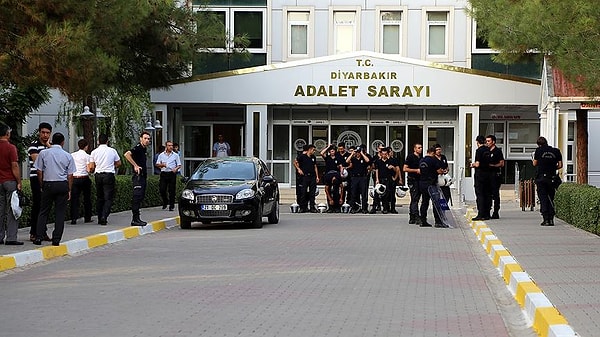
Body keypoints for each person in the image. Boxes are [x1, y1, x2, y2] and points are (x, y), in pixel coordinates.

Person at [32, 132, 76, 246]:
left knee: (43, 211)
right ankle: (56, 239)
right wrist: (69, 189)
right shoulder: (67, 155)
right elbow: (70, 175)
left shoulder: (43, 153)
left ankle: (38, 237)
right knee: (60, 212)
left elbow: (39, 171)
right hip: (62, 185)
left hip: (48, 184)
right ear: (63, 142)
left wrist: (42, 184)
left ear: (52, 141)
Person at [28, 122, 52, 242]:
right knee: (38, 205)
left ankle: (42, 231)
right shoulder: (34, 146)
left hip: (48, 178)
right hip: (36, 178)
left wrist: (49, 147)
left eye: (47, 133)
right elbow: (38, 162)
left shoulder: (51, 146)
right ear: (39, 132)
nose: (45, 135)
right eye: (43, 132)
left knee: (45, 206)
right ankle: (34, 232)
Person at [89, 134, 121, 226]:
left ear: (98, 141)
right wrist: (112, 165)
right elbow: (119, 163)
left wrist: (92, 170)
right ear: (107, 141)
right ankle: (104, 216)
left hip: (98, 175)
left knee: (99, 197)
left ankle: (99, 217)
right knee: (108, 198)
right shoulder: (112, 151)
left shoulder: (94, 152)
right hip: (109, 175)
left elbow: (91, 166)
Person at [0, 123, 24, 245]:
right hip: (9, 181)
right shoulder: (11, 148)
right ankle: (11, 237)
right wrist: (19, 182)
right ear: (7, 133)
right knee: (12, 209)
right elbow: (14, 165)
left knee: (0, 210)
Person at [532, 136, 563, 226]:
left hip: (542, 178)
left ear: (538, 144)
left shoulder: (538, 151)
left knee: (543, 198)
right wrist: (552, 167)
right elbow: (560, 165)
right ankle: (551, 219)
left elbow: (535, 163)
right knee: (551, 197)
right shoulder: (556, 151)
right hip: (552, 178)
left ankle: (546, 219)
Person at [124, 131, 152, 226]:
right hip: (138, 177)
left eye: (148, 139)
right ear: (141, 139)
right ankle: (135, 219)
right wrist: (135, 165)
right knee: (137, 197)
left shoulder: (143, 149)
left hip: (143, 176)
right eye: (145, 138)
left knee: (140, 197)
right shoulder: (138, 148)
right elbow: (127, 154)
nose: (147, 140)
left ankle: (137, 218)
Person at [418, 146, 444, 227]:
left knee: (424, 202)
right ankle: (438, 222)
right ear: (433, 153)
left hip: (422, 183)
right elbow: (439, 171)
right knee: (436, 203)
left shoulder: (422, 160)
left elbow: (419, 171)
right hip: (431, 184)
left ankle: (423, 221)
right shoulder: (433, 160)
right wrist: (442, 171)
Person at [70, 139, 93, 224]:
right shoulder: (87, 156)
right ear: (86, 146)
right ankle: (87, 217)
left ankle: (73, 218)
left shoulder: (72, 155)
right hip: (84, 178)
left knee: (75, 199)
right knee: (87, 199)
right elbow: (89, 168)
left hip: (75, 178)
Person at [156, 141, 181, 211]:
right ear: (166, 146)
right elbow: (157, 164)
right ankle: (165, 201)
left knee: (172, 190)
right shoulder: (161, 155)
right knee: (162, 189)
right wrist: (162, 165)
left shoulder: (175, 155)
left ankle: (171, 205)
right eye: (169, 145)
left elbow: (179, 165)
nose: (171, 147)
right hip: (164, 173)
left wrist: (175, 169)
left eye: (172, 145)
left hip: (172, 173)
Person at [471, 135, 491, 221]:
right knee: (487, 194)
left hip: (480, 174)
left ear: (477, 142)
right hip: (488, 174)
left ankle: (480, 214)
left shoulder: (479, 151)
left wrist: (473, 165)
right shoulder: (488, 150)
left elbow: (478, 164)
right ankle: (487, 214)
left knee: (480, 194)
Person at [374, 147, 400, 214]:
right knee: (380, 194)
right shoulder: (378, 161)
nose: (384, 155)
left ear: (387, 154)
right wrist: (377, 179)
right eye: (383, 154)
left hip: (389, 180)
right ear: (381, 154)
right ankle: (381, 208)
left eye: (385, 154)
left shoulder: (391, 161)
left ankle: (392, 208)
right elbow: (377, 170)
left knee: (390, 195)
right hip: (381, 179)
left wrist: (393, 170)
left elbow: (397, 170)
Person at [346, 144, 371, 214]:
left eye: (358, 152)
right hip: (355, 177)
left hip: (362, 177)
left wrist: (362, 153)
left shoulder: (363, 158)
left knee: (363, 193)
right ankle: (353, 208)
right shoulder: (353, 159)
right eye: (357, 152)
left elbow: (368, 161)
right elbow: (347, 161)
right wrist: (352, 154)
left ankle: (364, 208)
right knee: (353, 193)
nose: (358, 153)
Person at [295, 144, 319, 213]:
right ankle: (303, 207)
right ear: (310, 149)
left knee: (312, 192)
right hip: (305, 176)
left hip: (312, 176)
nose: (314, 151)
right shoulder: (302, 157)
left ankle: (312, 207)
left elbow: (315, 167)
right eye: (313, 150)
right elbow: (295, 162)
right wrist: (299, 169)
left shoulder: (313, 157)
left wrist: (317, 176)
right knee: (303, 192)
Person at [320, 144, 345, 213]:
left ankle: (337, 207)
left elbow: (341, 166)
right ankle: (330, 207)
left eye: (333, 151)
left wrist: (341, 173)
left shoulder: (338, 157)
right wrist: (328, 147)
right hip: (328, 174)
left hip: (336, 174)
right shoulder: (327, 158)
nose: (332, 152)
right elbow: (321, 153)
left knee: (336, 191)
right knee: (328, 190)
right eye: (331, 151)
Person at [403, 143, 423, 224]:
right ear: (414, 149)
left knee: (416, 199)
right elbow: (405, 168)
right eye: (418, 148)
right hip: (412, 180)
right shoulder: (410, 157)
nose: (420, 149)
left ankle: (412, 217)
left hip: (419, 180)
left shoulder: (421, 158)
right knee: (414, 198)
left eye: (421, 147)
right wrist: (416, 170)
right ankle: (416, 216)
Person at [486, 135, 504, 219]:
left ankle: (496, 211)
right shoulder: (486, 151)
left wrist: (493, 165)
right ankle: (487, 211)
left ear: (493, 142)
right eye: (486, 141)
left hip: (495, 175)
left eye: (489, 141)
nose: (487, 143)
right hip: (487, 175)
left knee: (495, 194)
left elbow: (502, 163)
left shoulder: (497, 151)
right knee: (488, 194)